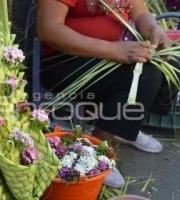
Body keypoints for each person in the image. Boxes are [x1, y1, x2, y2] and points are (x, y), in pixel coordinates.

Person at [37, 0, 178, 188]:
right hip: (63, 58)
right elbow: (48, 29)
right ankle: (97, 152)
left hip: (110, 51)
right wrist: (113, 50)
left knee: (172, 64)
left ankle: (123, 126)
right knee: (145, 76)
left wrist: (153, 29)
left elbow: (140, 11)